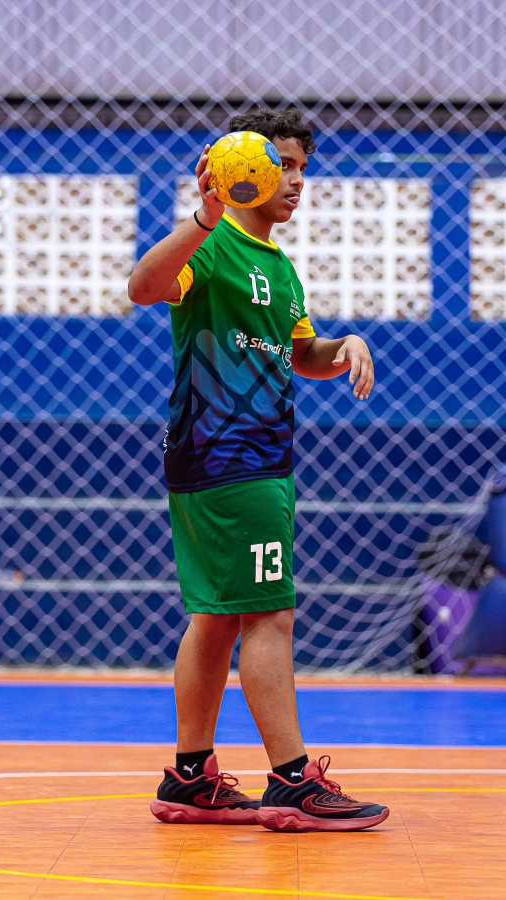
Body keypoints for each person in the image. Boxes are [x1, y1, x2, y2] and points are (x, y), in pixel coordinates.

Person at [128, 107, 388, 832]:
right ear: (242, 170)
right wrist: (202, 219)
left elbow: (300, 355)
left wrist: (344, 346)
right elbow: (143, 288)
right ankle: (292, 780)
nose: (296, 180)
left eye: (303, 167)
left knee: (216, 617)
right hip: (231, 455)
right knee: (270, 614)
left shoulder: (280, 266)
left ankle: (190, 776)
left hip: (248, 457)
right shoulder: (211, 246)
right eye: (282, 165)